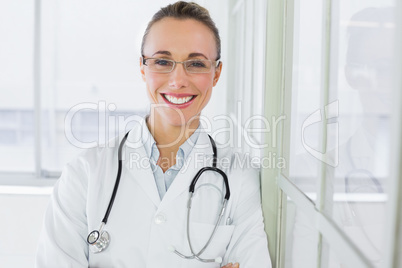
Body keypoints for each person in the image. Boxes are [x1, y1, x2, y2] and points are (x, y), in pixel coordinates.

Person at [35, 2, 271, 267]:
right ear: (142, 67)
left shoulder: (239, 178)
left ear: (216, 73)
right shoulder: (85, 174)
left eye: (196, 63)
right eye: (162, 61)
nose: (178, 79)